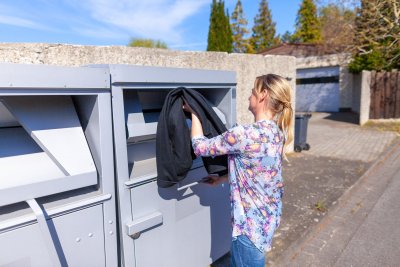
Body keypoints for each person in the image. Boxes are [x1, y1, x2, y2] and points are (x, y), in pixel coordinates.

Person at [183, 74, 293, 266]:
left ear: (263, 95)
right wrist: (222, 178)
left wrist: (194, 113)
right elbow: (259, 172)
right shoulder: (276, 132)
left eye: (252, 92)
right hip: (267, 219)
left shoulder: (244, 134)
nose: (248, 97)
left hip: (248, 229)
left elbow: (200, 147)